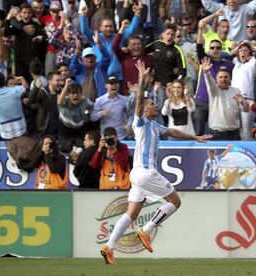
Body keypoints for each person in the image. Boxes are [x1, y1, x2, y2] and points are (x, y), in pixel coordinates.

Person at [100, 60, 212, 265]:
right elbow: (140, 98)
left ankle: (109, 247)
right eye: (152, 104)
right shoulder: (140, 123)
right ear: (144, 109)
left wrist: (195, 138)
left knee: (131, 213)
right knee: (175, 202)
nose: (155, 105)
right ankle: (147, 229)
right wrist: (142, 79)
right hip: (146, 172)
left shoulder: (154, 126)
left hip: (138, 176)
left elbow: (173, 131)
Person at [90, 74, 129, 140]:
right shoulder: (100, 100)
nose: (114, 86)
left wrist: (129, 124)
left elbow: (130, 114)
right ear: (106, 86)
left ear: (118, 85)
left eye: (116, 83)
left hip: (121, 136)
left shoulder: (124, 100)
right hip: (106, 137)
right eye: (111, 83)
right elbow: (92, 117)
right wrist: (101, 113)